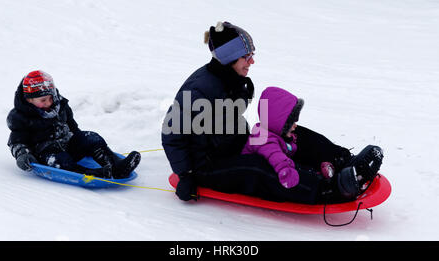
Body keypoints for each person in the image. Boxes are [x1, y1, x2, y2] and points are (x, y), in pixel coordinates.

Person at [162, 21, 383, 204]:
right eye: (246, 56)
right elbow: (171, 134)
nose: (252, 61)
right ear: (230, 58)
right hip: (207, 165)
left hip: (237, 144)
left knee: (288, 132)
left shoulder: (233, 79)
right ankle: (329, 190)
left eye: (252, 55)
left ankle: (344, 160)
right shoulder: (199, 89)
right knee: (258, 169)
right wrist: (186, 175)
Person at [242, 86, 384, 202]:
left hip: (284, 163)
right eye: (291, 122)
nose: (295, 125)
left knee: (302, 145)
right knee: (291, 170)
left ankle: (343, 165)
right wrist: (287, 171)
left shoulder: (273, 132)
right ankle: (330, 189)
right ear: (278, 123)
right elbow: (277, 158)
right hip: (277, 173)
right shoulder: (263, 139)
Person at [7, 70, 141, 179]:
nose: (48, 103)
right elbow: (16, 142)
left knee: (91, 137)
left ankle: (116, 166)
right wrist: (23, 155)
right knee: (59, 160)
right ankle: (90, 174)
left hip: (68, 144)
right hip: (46, 155)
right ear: (29, 99)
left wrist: (85, 142)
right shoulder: (21, 117)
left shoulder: (60, 106)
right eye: (43, 100)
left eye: (50, 98)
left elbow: (73, 127)